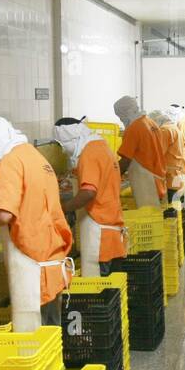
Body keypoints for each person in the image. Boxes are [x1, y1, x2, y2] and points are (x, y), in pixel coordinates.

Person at [0, 116, 73, 332]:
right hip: (50, 256)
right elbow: (28, 203)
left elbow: (4, 215)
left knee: (34, 337)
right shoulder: (33, 155)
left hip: (31, 264)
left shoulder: (10, 162)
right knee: (51, 333)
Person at [54, 117, 126, 276]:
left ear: (72, 140)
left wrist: (63, 208)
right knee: (111, 290)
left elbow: (88, 192)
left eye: (63, 145)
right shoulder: (101, 146)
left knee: (98, 289)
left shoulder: (89, 154)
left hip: (100, 232)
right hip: (111, 226)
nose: (64, 151)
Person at [114, 95, 166, 208]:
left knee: (148, 219)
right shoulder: (151, 123)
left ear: (125, 112)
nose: (120, 119)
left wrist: (110, 175)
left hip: (146, 181)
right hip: (158, 176)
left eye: (120, 116)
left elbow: (126, 160)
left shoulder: (134, 128)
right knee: (155, 217)